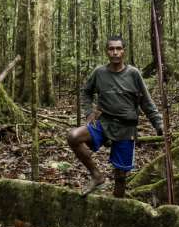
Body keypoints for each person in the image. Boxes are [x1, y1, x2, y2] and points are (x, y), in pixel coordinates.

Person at [67, 35, 164, 197]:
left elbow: (146, 102)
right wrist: (89, 112)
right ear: (107, 52)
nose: (115, 52)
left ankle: (116, 206)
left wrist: (158, 123)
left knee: (120, 176)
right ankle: (97, 176)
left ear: (123, 51)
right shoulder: (99, 72)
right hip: (103, 123)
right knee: (73, 136)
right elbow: (86, 92)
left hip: (126, 128)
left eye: (118, 49)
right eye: (111, 49)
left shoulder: (133, 74)